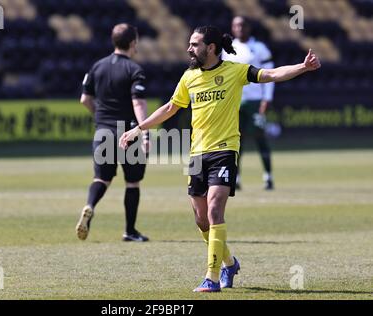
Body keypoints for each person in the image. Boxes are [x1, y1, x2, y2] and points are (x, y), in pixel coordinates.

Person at [119, 25, 320, 292]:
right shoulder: (189, 77)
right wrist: (138, 128)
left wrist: (302, 67)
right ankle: (230, 263)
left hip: (225, 149)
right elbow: (170, 108)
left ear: (211, 48)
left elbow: (270, 74)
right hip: (196, 153)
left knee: (214, 210)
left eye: (194, 44)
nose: (189, 48)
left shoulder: (236, 71)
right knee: (201, 220)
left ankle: (211, 278)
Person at [77, 23, 150, 242]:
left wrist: (99, 117)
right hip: (127, 133)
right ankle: (130, 231)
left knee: (101, 178)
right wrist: (144, 132)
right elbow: (138, 103)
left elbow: (84, 99)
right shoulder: (134, 70)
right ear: (132, 43)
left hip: (102, 130)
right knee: (132, 182)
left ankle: (90, 205)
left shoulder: (97, 67)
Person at [222, 16, 275, 190]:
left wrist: (266, 98)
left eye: (242, 25)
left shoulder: (259, 48)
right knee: (236, 141)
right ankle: (235, 178)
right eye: (235, 25)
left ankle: (268, 177)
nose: (239, 28)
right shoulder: (228, 49)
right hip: (235, 102)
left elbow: (270, 75)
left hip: (255, 101)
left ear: (249, 27)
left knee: (260, 139)